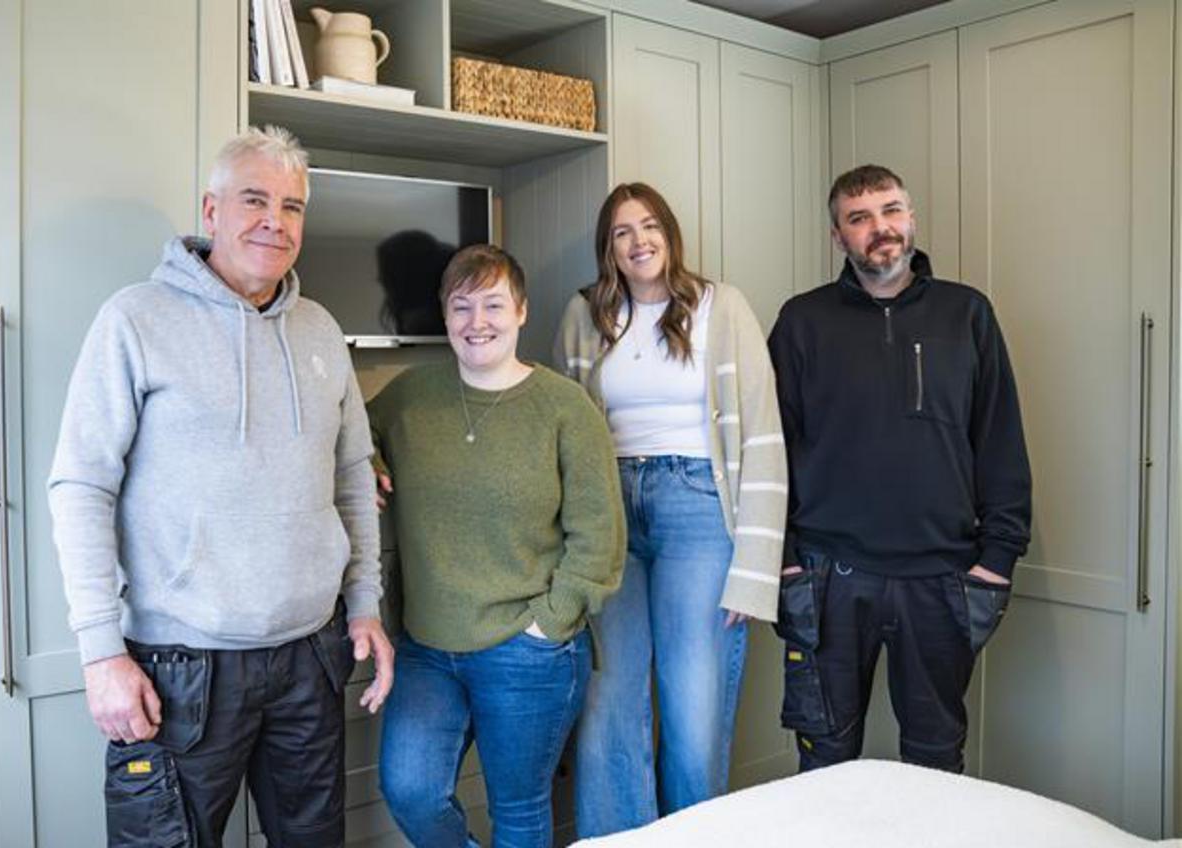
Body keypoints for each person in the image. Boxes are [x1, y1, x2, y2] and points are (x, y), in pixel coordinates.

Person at [47, 124, 394, 848]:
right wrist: (101, 653)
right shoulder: (135, 319)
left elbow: (353, 476)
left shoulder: (321, 331)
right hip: (180, 668)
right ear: (211, 211)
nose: (275, 221)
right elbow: (81, 485)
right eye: (254, 200)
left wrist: (363, 603)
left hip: (310, 656)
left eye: (292, 206)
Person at [767, 164, 1031, 773]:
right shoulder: (802, 321)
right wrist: (784, 556)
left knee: (935, 764)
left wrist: (997, 561)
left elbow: (1000, 441)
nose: (879, 228)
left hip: (942, 577)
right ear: (838, 236)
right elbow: (771, 448)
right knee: (824, 764)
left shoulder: (967, 314)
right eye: (859, 218)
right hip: (828, 577)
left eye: (890, 211)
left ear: (911, 218)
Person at [369, 244, 625, 848]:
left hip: (526, 647)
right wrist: (366, 460)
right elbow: (353, 430)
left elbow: (599, 535)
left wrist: (549, 623)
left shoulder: (565, 407)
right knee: (411, 790)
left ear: (521, 311)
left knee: (518, 810)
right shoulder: (410, 395)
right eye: (461, 307)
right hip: (428, 649)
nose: (476, 321)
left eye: (492, 304)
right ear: (444, 315)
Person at [558, 183, 788, 837]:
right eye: (622, 231)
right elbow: (564, 436)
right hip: (610, 514)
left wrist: (754, 570)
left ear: (670, 234)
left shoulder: (722, 307)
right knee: (607, 704)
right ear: (608, 248)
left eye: (650, 226)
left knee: (693, 708)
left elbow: (763, 436)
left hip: (698, 510)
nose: (639, 241)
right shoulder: (584, 315)